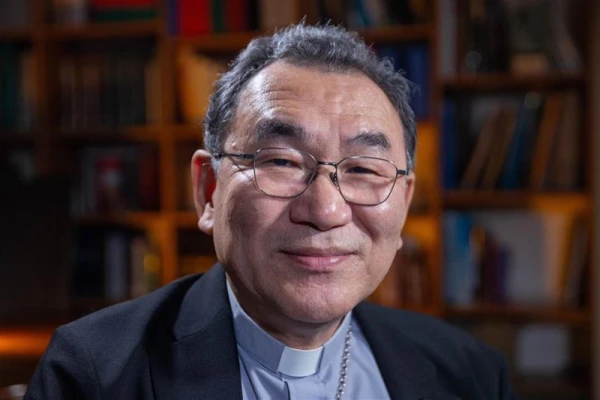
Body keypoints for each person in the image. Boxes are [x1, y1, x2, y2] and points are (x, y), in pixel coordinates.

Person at [26, 23, 516, 400]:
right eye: (281, 161)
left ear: (403, 204)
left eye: (365, 169)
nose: (325, 210)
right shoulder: (93, 373)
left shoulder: (469, 373)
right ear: (209, 190)